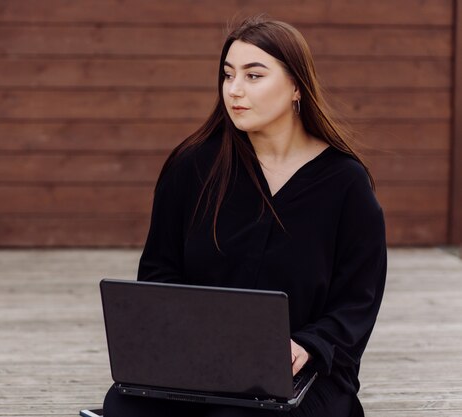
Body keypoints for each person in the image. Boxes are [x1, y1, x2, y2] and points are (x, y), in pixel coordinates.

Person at [103, 15, 386, 417]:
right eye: (228, 75)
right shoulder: (192, 166)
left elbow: (358, 300)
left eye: (254, 76)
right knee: (123, 406)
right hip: (199, 364)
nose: (234, 90)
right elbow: (159, 272)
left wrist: (306, 345)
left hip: (306, 374)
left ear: (295, 87)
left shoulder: (345, 183)